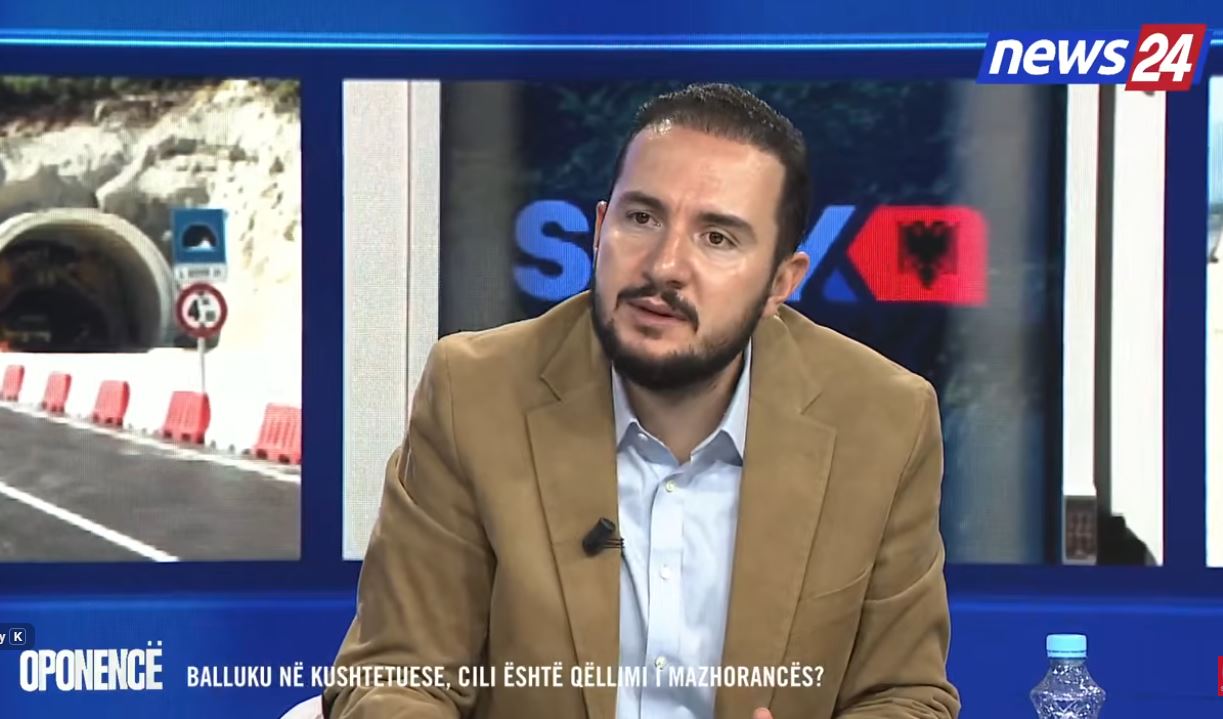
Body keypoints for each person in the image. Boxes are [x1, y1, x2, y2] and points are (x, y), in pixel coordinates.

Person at [324, 83, 959, 719]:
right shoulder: (474, 394)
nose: (665, 265)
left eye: (718, 238)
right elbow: (396, 677)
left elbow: (904, 696)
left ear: (780, 282)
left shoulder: (882, 422)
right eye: (642, 218)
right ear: (600, 231)